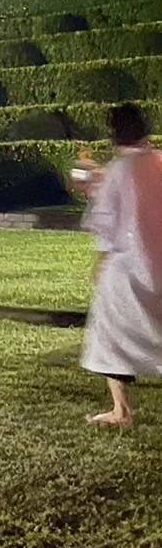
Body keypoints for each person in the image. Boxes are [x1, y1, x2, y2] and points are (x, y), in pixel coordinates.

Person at [78, 103, 162, 428]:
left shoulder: (119, 170)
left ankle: (121, 410)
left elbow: (106, 222)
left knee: (110, 334)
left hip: (129, 269)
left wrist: (101, 261)